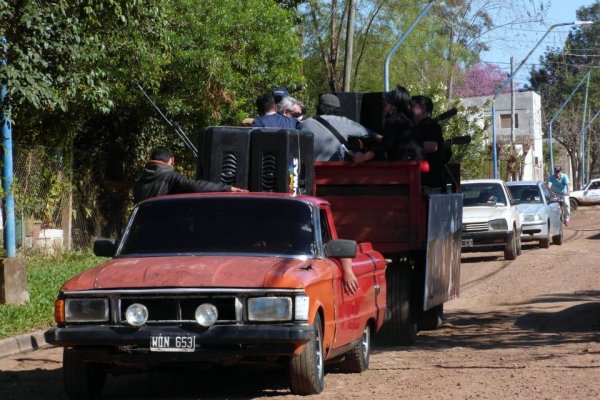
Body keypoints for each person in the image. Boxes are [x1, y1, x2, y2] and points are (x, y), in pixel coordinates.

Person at [133, 147, 246, 203]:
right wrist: (227, 188)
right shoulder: (171, 177)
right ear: (171, 160)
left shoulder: (139, 181)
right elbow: (194, 186)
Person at [352, 85, 418, 163]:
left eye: (386, 102)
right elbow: (395, 140)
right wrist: (373, 135)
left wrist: (363, 157)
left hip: (401, 167)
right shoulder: (411, 121)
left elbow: (385, 146)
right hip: (415, 164)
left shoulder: (393, 121)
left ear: (394, 106)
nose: (384, 104)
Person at [301, 93, 374, 162]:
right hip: (336, 171)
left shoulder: (304, 124)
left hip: (309, 171)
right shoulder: (344, 122)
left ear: (318, 107)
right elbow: (371, 134)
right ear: (337, 109)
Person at [412, 95, 445, 193]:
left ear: (423, 108)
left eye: (412, 105)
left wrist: (408, 148)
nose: (409, 108)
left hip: (430, 183)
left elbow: (432, 146)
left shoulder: (428, 125)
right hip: (424, 181)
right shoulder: (421, 125)